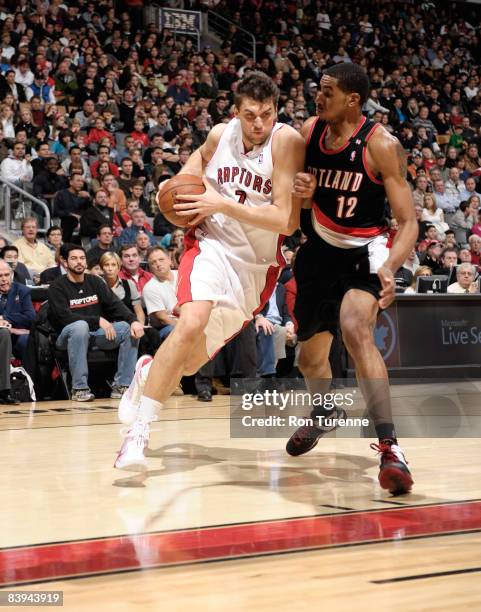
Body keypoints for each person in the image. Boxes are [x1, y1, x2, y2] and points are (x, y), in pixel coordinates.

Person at [114, 71, 305, 471]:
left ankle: (147, 371)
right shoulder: (221, 135)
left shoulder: (286, 142)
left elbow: (286, 221)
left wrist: (220, 203)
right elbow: (200, 158)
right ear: (236, 113)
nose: (258, 124)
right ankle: (138, 435)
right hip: (211, 244)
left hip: (254, 267)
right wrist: (181, 182)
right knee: (189, 322)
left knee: (187, 364)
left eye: (267, 115)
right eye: (250, 115)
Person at [285, 64, 417, 495]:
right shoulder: (309, 132)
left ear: (352, 100)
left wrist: (391, 267)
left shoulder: (381, 144)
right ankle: (324, 411)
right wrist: (300, 192)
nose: (318, 98)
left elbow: (408, 221)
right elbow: (295, 194)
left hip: (365, 251)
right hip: (318, 251)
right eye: (317, 91)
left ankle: (390, 447)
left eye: (327, 92)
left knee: (357, 328)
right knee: (309, 360)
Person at [48, 243, 144, 401]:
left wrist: (133, 321)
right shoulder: (57, 286)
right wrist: (97, 320)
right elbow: (64, 317)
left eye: (82, 258)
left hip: (95, 335)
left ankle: (122, 386)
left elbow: (115, 305)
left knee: (127, 328)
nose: (79, 262)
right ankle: (79, 389)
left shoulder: (95, 281)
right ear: (64, 262)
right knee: (80, 326)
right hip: (67, 337)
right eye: (74, 258)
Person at [0, 258, 35, 368]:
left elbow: (30, 317)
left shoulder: (22, 290)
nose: (4, 279)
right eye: (0, 276)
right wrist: (11, 329)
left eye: (6, 275)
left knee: (26, 340)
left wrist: (4, 317)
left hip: (17, 338)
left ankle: (30, 382)